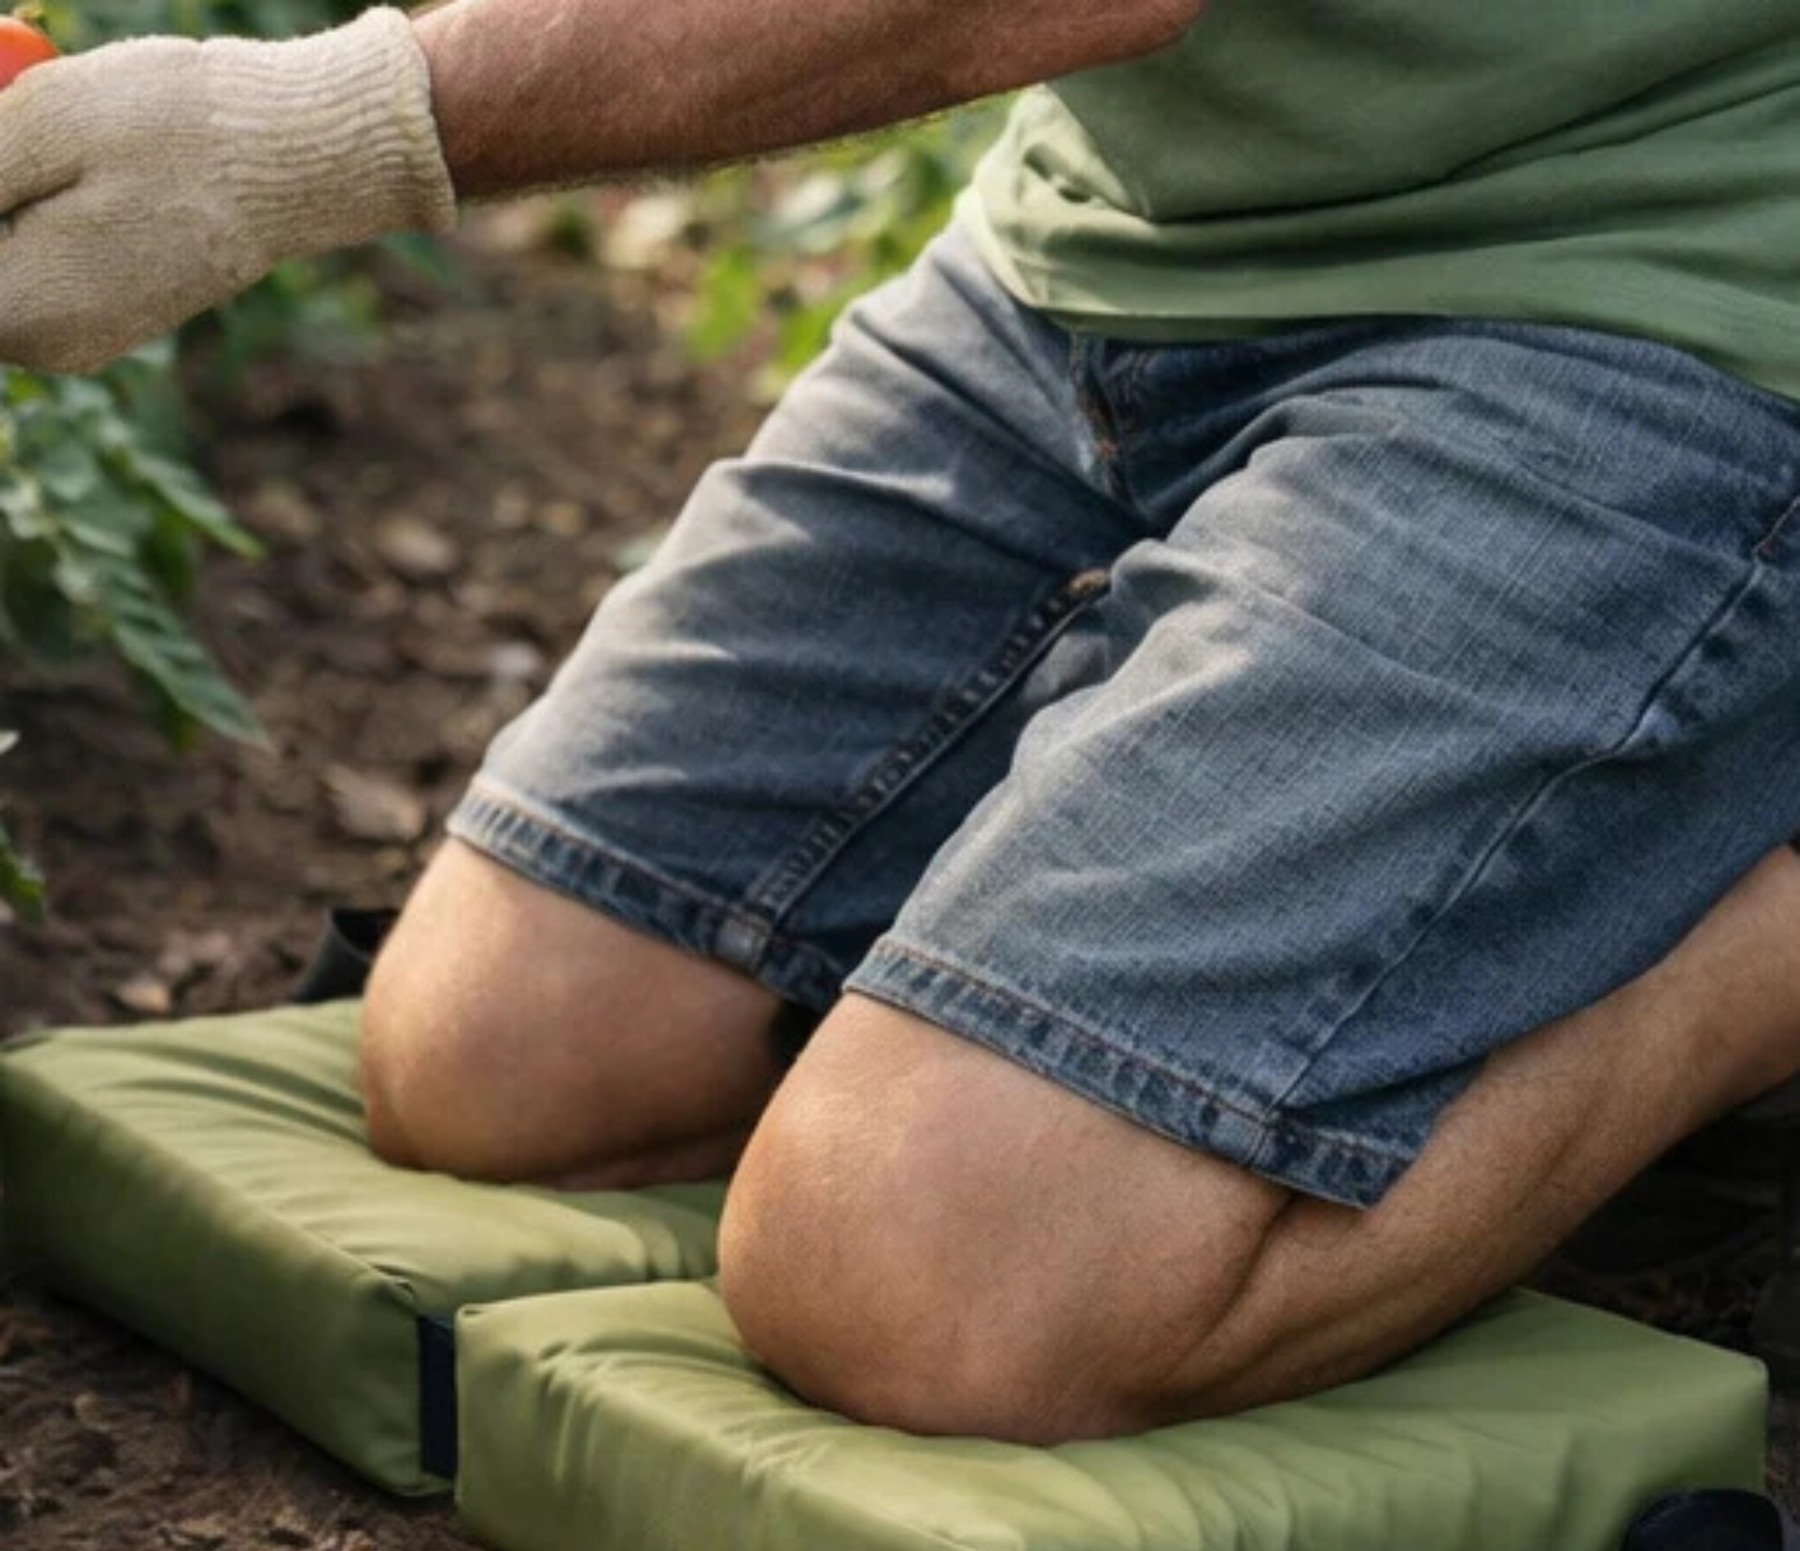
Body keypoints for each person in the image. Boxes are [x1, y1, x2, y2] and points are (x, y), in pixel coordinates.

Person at [2, 1, 1796, 1445]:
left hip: (1658, 296)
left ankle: (1752, 957)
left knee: (930, 1289)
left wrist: (321, 132)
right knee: (505, 1062)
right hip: (1121, 253)